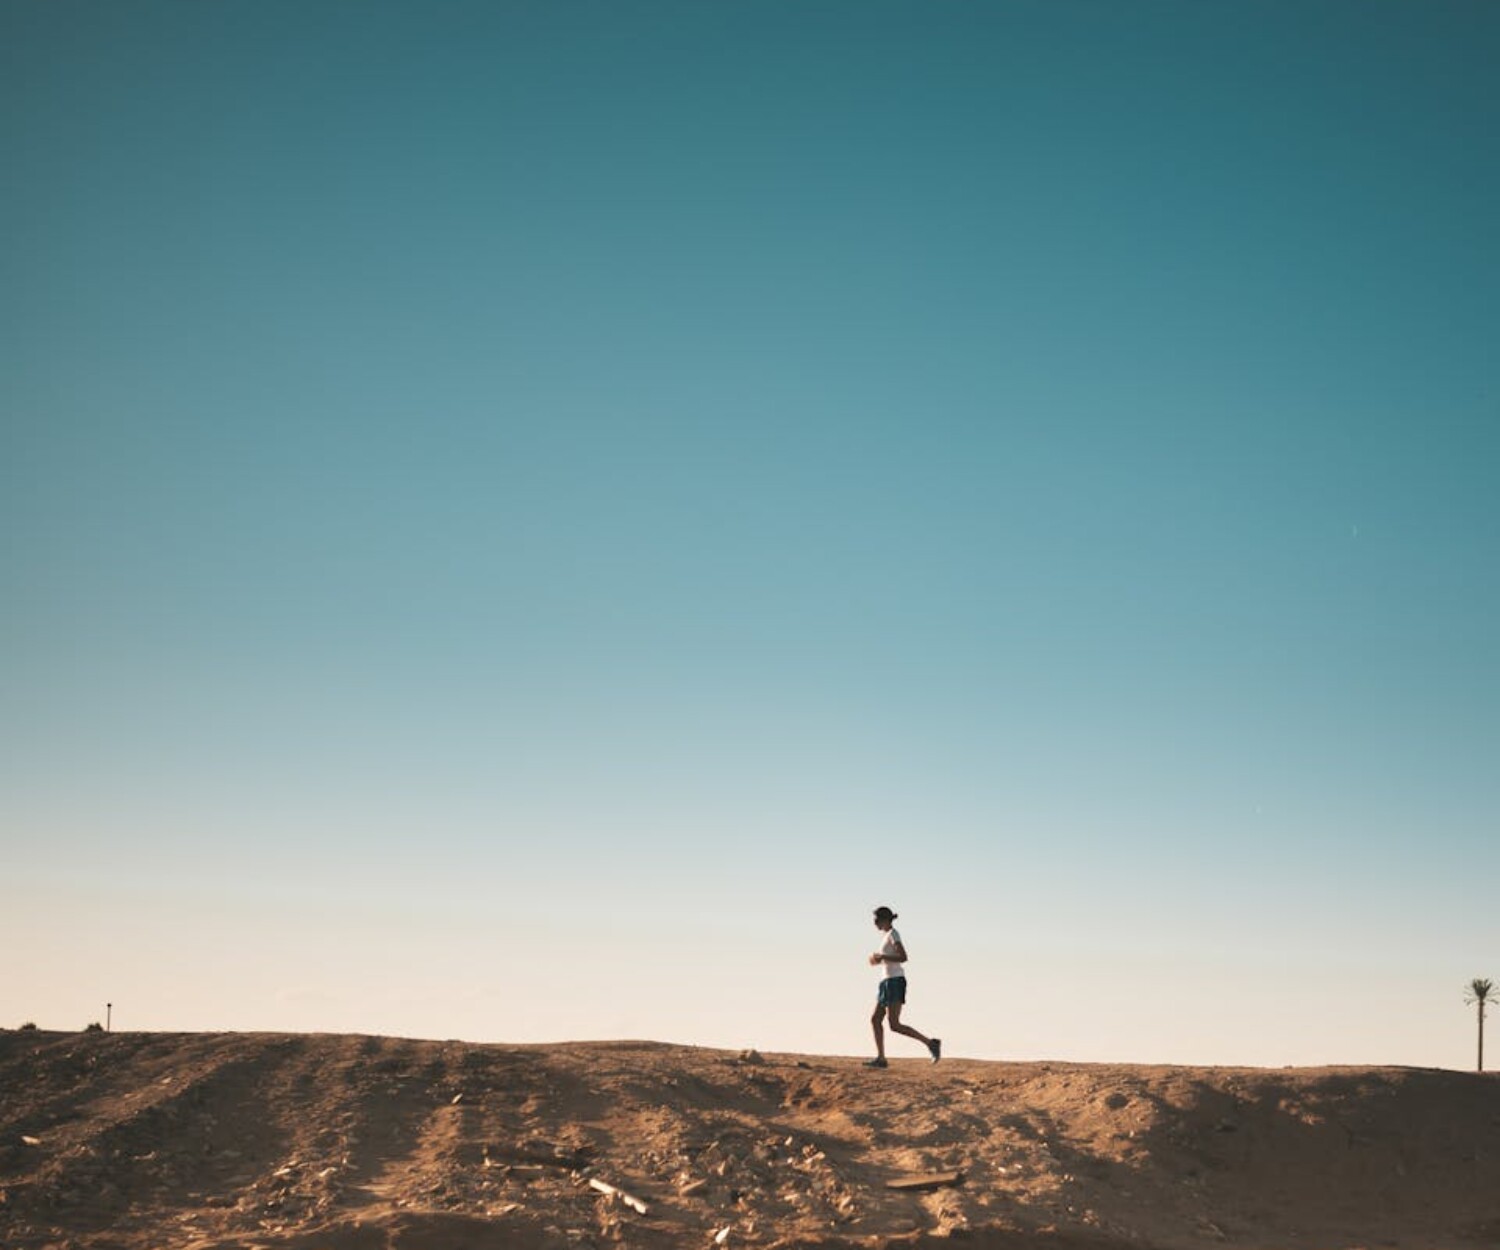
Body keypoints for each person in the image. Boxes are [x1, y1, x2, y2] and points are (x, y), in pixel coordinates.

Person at [865, 905, 941, 1067]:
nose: (874, 923)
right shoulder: (886, 936)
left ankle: (930, 1043)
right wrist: (877, 960)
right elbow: (889, 958)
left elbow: (903, 957)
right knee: (875, 1019)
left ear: (885, 920)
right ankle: (881, 1058)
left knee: (894, 1024)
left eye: (876, 920)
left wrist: (881, 956)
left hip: (895, 981)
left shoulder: (893, 934)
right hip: (886, 981)